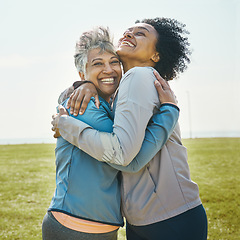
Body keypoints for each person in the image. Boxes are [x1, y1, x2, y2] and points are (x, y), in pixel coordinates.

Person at [53, 18, 208, 240]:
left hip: (167, 216)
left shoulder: (139, 75)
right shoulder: (123, 87)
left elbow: (125, 156)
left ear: (155, 55)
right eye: (128, 31)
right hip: (148, 217)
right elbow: (77, 98)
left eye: (141, 33)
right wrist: (83, 85)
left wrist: (66, 125)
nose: (129, 34)